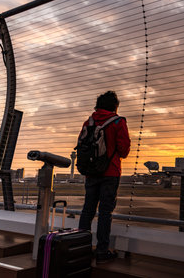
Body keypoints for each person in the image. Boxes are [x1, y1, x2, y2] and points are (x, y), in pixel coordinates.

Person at [78, 91, 130, 264]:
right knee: (105, 212)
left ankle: (80, 248)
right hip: (110, 172)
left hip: (91, 172)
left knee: (87, 210)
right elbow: (124, 150)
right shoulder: (118, 121)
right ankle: (102, 251)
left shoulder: (89, 122)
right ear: (115, 106)